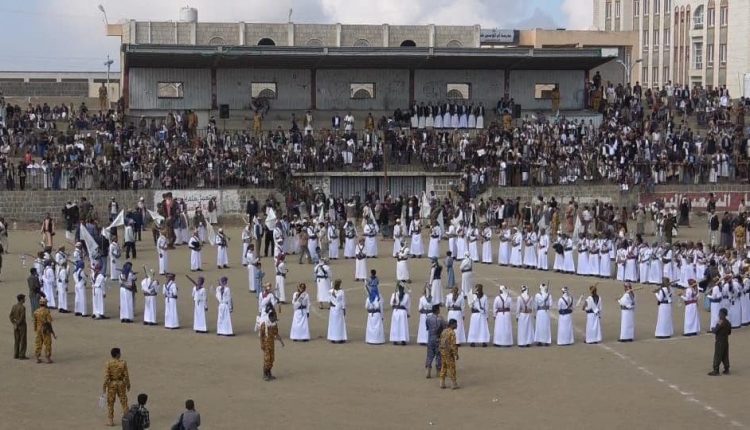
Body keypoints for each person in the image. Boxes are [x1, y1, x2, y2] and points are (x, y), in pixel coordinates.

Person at [103, 347, 130, 426]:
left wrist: (104, 386)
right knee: (124, 401)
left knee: (110, 402)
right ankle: (127, 419)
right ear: (117, 354)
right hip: (121, 384)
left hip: (112, 384)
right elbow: (126, 375)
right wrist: (128, 384)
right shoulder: (123, 363)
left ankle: (110, 420)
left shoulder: (108, 363)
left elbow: (106, 377)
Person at [259, 306, 284, 381]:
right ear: (270, 317)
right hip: (266, 344)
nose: (274, 320)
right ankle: (265, 374)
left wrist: (281, 341)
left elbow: (276, 333)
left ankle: (269, 373)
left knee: (272, 359)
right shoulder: (264, 325)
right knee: (267, 359)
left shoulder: (274, 324)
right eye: (274, 319)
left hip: (272, 344)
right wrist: (262, 344)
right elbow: (261, 335)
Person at [708, 308, 731, 376]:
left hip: (719, 341)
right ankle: (727, 369)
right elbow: (729, 332)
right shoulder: (728, 322)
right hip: (725, 341)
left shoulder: (720, 322)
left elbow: (715, 331)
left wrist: (712, 329)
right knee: (725, 355)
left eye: (720, 313)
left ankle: (716, 370)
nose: (719, 315)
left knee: (717, 355)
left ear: (723, 314)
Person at [425, 304, 445, 378]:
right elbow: (444, 327)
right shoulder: (440, 319)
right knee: (439, 355)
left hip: (430, 338)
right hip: (438, 338)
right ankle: (438, 372)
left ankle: (428, 371)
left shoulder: (428, 318)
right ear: (437, 310)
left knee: (429, 355)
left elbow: (427, 327)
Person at [439, 319, 459, 389]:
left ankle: (442, 383)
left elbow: (440, 341)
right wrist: (456, 353)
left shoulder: (444, 331)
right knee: (452, 367)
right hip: (449, 353)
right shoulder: (452, 332)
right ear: (452, 324)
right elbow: (453, 345)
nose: (457, 325)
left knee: (443, 366)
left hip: (442, 351)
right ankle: (453, 384)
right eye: (455, 324)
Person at [33, 297, 54, 363]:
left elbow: (35, 322)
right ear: (45, 304)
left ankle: (37, 357)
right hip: (45, 329)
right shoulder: (47, 311)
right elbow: (49, 321)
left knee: (38, 343)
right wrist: (51, 331)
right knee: (47, 343)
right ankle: (48, 358)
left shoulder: (36, 311)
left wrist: (35, 329)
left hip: (38, 329)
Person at [365, 278, 385, 345]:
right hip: (377, 314)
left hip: (370, 314)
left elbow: (366, 307)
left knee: (371, 327)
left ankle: (370, 339)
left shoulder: (368, 298)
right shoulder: (379, 298)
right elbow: (381, 308)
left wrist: (370, 309)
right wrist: (382, 316)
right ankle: (377, 340)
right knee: (377, 328)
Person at [9, 294, 28, 359]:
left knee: (16, 340)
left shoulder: (14, 306)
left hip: (15, 326)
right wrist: (18, 323)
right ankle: (21, 355)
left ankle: (16, 354)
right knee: (23, 340)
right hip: (22, 326)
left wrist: (14, 323)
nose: (25, 300)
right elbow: (22, 318)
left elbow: (11, 316)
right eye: (24, 298)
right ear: (21, 299)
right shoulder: (22, 307)